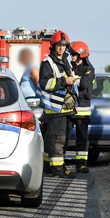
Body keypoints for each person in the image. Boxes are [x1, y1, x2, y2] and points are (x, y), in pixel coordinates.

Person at [38, 30, 76, 177]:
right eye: (59, 45)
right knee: (57, 140)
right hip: (55, 110)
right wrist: (64, 81)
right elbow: (45, 83)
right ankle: (58, 169)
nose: (61, 48)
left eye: (64, 46)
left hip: (66, 109)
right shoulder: (47, 63)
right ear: (53, 46)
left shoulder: (65, 61)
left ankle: (48, 166)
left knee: (59, 140)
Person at [67, 41, 95, 173]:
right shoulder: (68, 66)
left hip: (82, 110)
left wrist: (72, 79)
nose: (71, 56)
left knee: (82, 138)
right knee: (64, 137)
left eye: (74, 54)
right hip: (69, 107)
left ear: (81, 55)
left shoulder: (89, 69)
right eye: (71, 54)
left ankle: (81, 164)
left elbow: (84, 83)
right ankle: (60, 164)